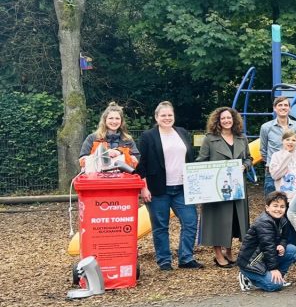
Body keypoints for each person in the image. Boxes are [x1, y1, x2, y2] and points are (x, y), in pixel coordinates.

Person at [137, 101, 201, 271]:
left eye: (170, 115)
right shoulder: (148, 136)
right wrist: (144, 188)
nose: (167, 118)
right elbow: (141, 164)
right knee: (160, 226)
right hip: (158, 188)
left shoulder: (182, 133)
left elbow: (190, 159)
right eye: (163, 115)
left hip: (182, 188)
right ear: (156, 117)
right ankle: (164, 260)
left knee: (191, 222)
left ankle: (186, 257)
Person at [197, 107, 252, 268]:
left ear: (234, 119)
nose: (227, 121)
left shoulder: (242, 138)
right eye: (223, 118)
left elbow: (249, 158)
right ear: (218, 121)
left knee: (234, 219)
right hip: (217, 187)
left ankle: (229, 251)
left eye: (229, 118)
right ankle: (218, 254)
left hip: (237, 186)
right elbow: (202, 160)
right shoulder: (210, 139)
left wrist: (245, 166)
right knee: (218, 219)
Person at [237, 191, 296, 292]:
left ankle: (279, 277)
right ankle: (246, 277)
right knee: (275, 285)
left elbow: (284, 237)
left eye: (282, 206)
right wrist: (273, 268)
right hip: (251, 262)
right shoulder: (264, 222)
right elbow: (268, 246)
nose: (278, 209)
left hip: (264, 257)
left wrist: (282, 245)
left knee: (291, 249)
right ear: (267, 207)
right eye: (275, 206)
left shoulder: (282, 220)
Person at [258, 96, 296, 195]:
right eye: (280, 105)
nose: (283, 108)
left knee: (293, 203)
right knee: (272, 203)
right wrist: (274, 164)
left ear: (290, 108)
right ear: (275, 108)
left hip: (294, 169)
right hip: (273, 171)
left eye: (286, 105)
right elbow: (263, 150)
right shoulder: (266, 127)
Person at [79, 102, 139, 170]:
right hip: (96, 178)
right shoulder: (92, 138)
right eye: (111, 118)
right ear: (105, 120)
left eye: (117, 118)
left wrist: (120, 152)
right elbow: (82, 161)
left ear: (121, 121)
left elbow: (137, 160)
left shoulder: (128, 140)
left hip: (123, 179)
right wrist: (102, 155)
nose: (114, 121)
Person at [268, 129, 296, 199]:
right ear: (282, 141)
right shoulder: (276, 156)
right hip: (282, 197)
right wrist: (287, 155)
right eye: (287, 139)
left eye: (293, 140)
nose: (290, 142)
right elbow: (275, 175)